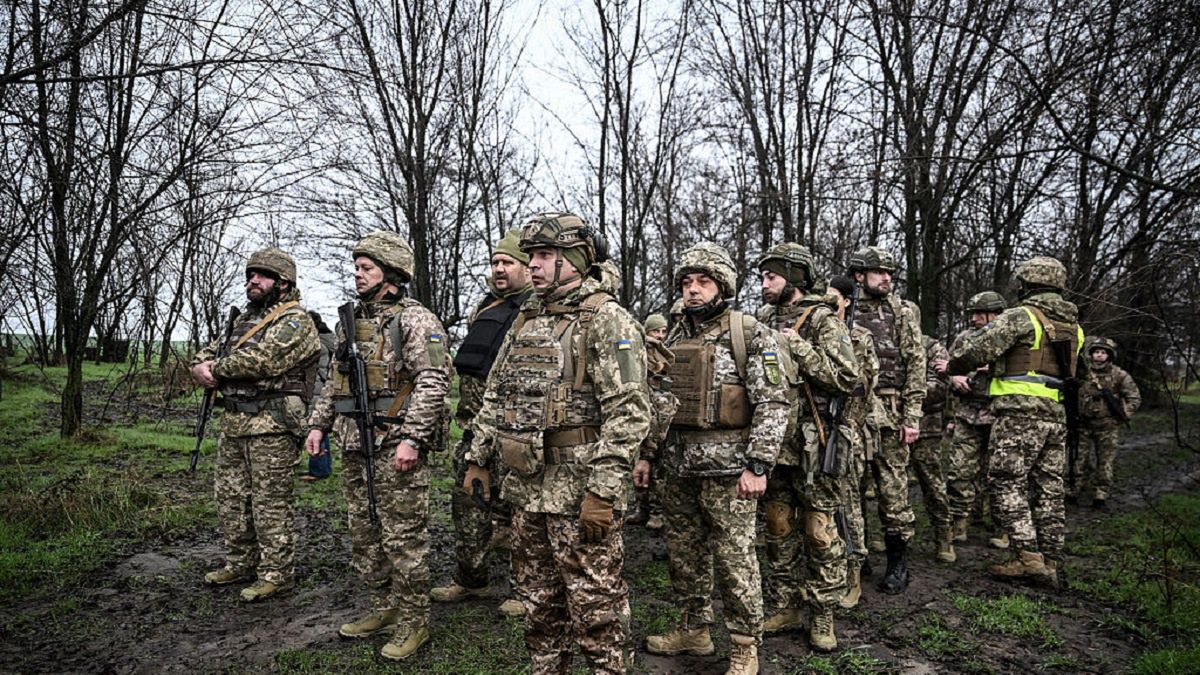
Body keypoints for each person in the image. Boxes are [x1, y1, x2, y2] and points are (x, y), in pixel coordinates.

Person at [462, 212, 650, 675]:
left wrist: (603, 490)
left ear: (575, 261)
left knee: (597, 613)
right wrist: (478, 458)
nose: (536, 265)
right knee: (539, 607)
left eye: (546, 255)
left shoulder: (607, 320)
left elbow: (629, 412)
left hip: (579, 493)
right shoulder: (527, 317)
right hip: (527, 491)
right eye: (533, 256)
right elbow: (497, 393)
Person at [305, 231, 453, 661]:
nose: (357, 274)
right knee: (364, 534)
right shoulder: (349, 321)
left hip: (395, 445)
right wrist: (318, 426)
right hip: (355, 442)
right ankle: (384, 609)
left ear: (391, 273)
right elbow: (335, 383)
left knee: (403, 537)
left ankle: (414, 621)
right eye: (356, 267)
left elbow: (433, 381)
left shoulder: (416, 320)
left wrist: (413, 438)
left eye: (366, 268)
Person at [644, 242, 789, 675]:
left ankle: (745, 645)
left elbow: (775, 401)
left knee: (736, 558)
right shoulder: (672, 336)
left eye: (703, 281)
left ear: (721, 285)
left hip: (731, 471)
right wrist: (648, 455)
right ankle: (695, 629)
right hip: (679, 466)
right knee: (684, 553)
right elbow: (657, 401)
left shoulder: (749, 333)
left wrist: (759, 464)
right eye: (687, 282)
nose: (693, 290)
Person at [191, 247, 320, 602]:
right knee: (231, 498)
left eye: (261, 275)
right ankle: (240, 561)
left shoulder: (296, 322)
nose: (253, 281)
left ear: (283, 282)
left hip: (273, 426)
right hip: (235, 423)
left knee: (269, 504)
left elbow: (262, 361)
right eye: (251, 274)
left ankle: (277, 573)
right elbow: (211, 351)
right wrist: (200, 365)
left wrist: (213, 369)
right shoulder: (243, 320)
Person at [946, 256, 1084, 586]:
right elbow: (1083, 375)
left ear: (1026, 284)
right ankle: (1051, 560)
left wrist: (954, 367)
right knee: (1049, 488)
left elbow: (976, 351)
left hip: (1019, 414)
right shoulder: (1073, 326)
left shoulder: (1021, 316)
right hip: (1056, 416)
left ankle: (1027, 556)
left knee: (1006, 481)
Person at [754, 243, 858, 651]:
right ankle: (785, 604)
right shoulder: (762, 318)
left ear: (794, 277)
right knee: (778, 526)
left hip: (815, 443)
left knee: (819, 530)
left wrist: (795, 346)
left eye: (771, 277)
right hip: (772, 441)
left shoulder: (823, 320)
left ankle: (822, 614)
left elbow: (845, 378)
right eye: (762, 277)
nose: (764, 284)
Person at [431, 229, 533, 617]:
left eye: (507, 262)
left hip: (512, 428)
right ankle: (471, 578)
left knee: (517, 513)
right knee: (467, 503)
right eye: (494, 262)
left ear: (526, 267)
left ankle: (525, 588)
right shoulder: (484, 307)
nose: (499, 269)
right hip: (473, 427)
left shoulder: (534, 310)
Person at [847, 246, 925, 594]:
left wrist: (912, 416)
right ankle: (856, 558)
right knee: (851, 488)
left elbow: (916, 365)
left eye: (890, 272)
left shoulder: (902, 312)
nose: (887, 278)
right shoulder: (843, 309)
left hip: (892, 412)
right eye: (879, 272)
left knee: (893, 490)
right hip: (854, 411)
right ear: (860, 276)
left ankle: (897, 564)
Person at [827, 275, 879, 610]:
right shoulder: (817, 331)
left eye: (833, 300)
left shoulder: (859, 337)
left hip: (846, 430)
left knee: (848, 507)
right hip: (819, 432)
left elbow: (862, 387)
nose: (828, 306)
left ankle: (854, 571)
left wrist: (848, 429)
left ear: (847, 301)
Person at [944, 292, 1006, 546]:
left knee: (1001, 474)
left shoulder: (1009, 337)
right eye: (972, 313)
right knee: (959, 471)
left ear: (996, 314)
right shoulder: (964, 338)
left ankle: (1004, 527)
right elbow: (946, 368)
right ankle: (959, 523)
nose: (975, 318)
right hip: (968, 414)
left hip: (999, 414)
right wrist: (954, 378)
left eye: (981, 313)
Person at [1077, 337, 1140, 508]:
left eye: (1103, 353)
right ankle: (1074, 489)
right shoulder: (1082, 373)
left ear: (1110, 356)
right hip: (1082, 424)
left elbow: (1134, 397)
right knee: (1077, 459)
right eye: (1096, 352)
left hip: (1107, 426)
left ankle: (1101, 494)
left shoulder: (1120, 375)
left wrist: (1122, 414)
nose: (1099, 355)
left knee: (1105, 462)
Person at [628, 312, 674, 531]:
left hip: (658, 416)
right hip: (639, 412)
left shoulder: (663, 352)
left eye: (664, 331)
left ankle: (657, 511)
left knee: (657, 469)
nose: (661, 335)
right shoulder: (638, 348)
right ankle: (641, 508)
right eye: (657, 330)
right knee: (637, 465)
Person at [913, 332, 955, 562]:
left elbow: (940, 385)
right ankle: (882, 536)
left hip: (926, 427)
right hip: (889, 425)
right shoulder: (887, 341)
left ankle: (944, 535)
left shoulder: (932, 347)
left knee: (932, 482)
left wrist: (906, 392)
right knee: (886, 485)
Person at [301, 311, 336, 481]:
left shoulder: (318, 344)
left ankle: (319, 469)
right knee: (319, 430)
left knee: (316, 429)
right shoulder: (330, 339)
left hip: (317, 391)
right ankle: (321, 467)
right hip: (323, 389)